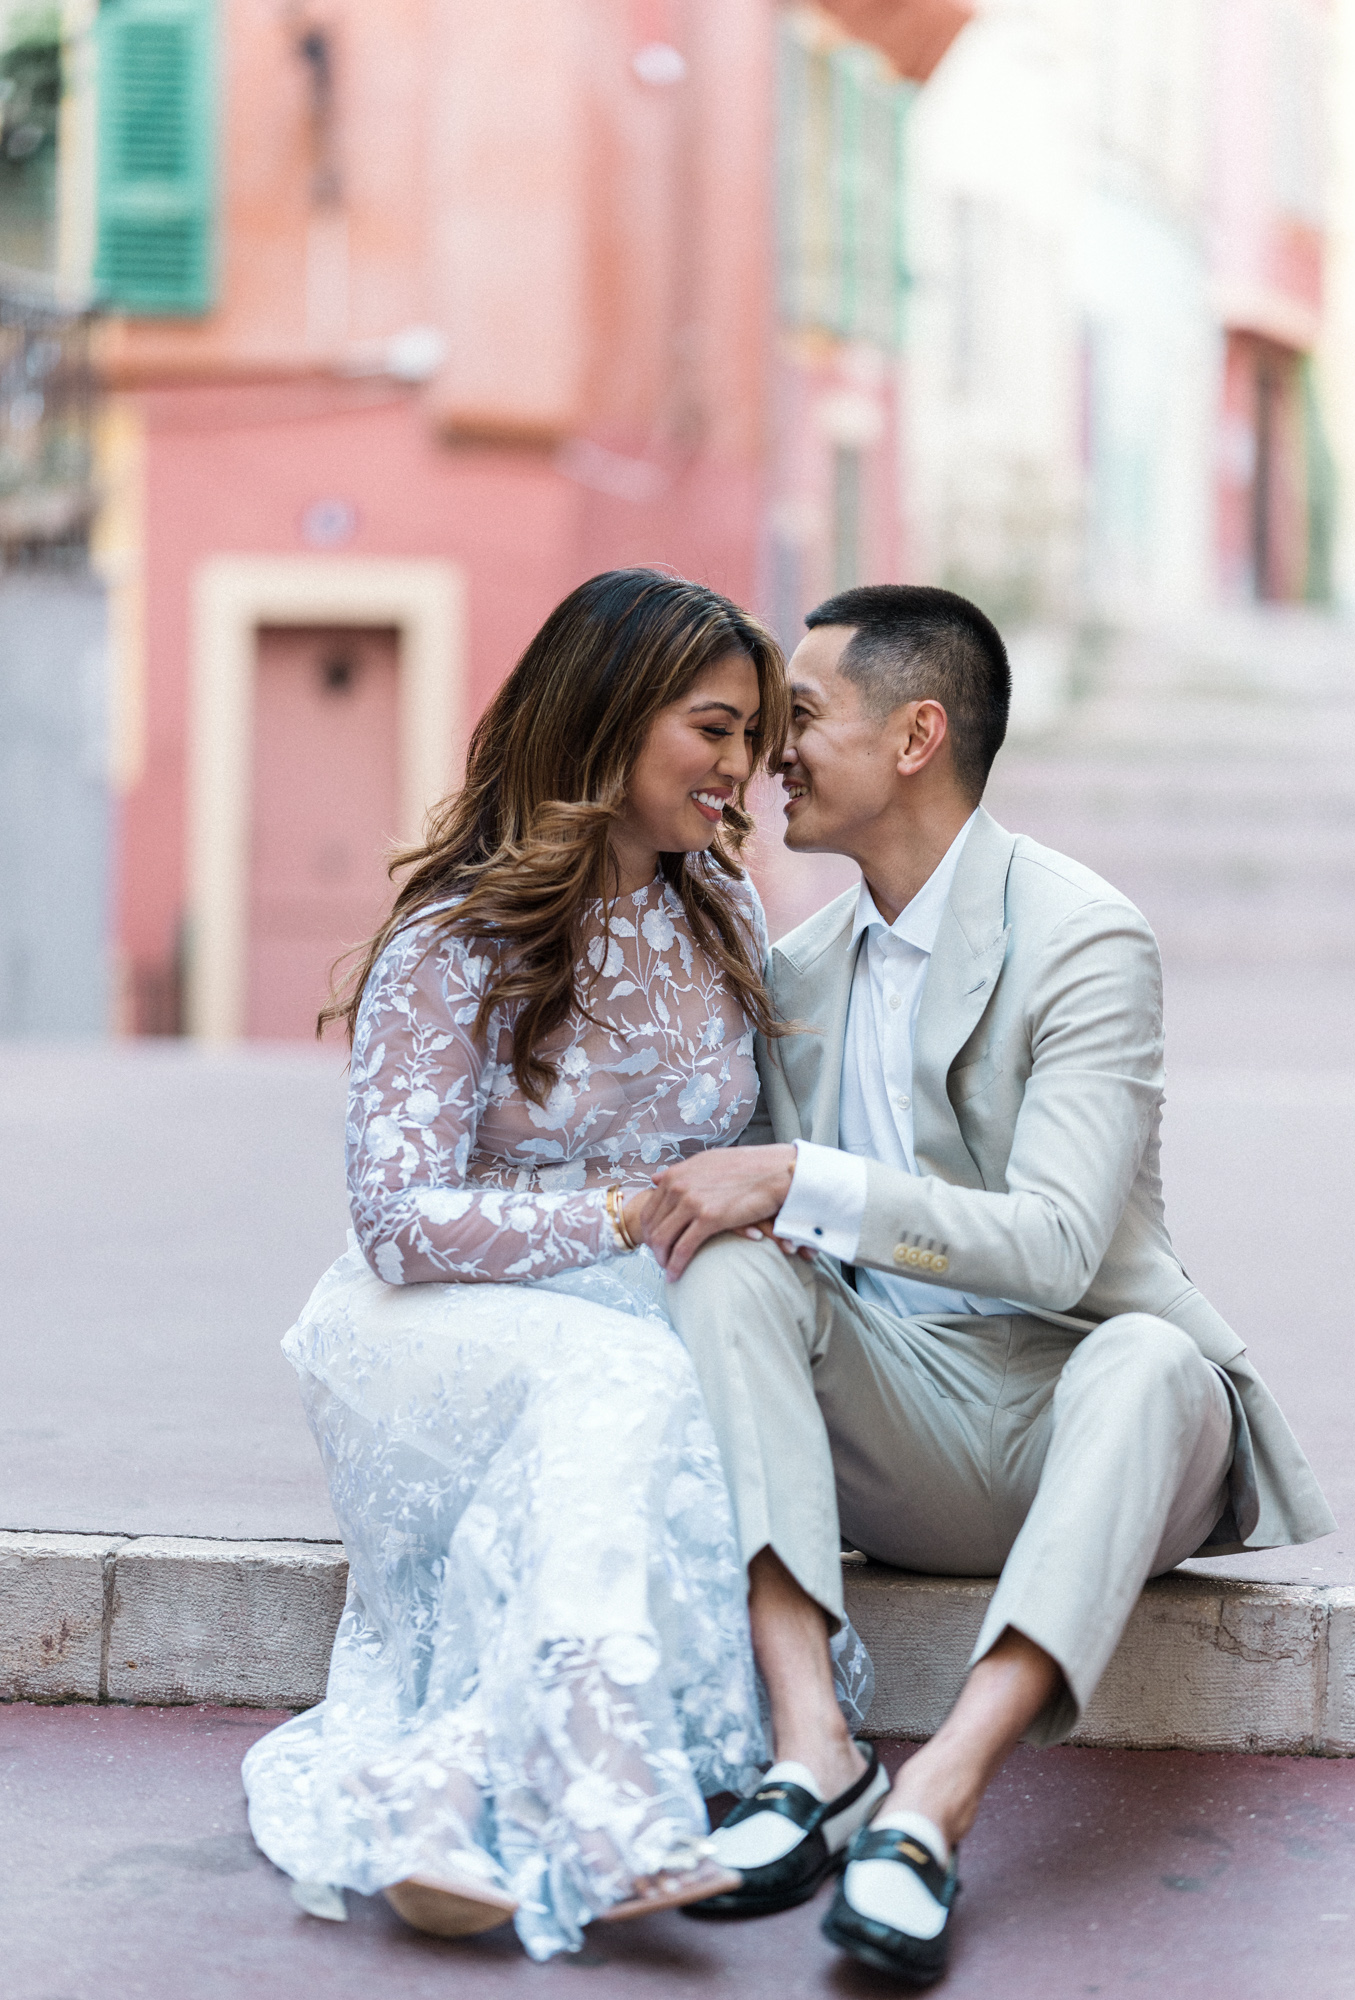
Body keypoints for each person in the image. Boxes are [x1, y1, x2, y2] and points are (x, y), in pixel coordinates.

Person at [638, 584, 1335, 1986]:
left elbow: (1058, 1245)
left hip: (1097, 1414)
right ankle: (813, 1758)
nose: (773, 749)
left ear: (915, 736)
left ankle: (931, 1807)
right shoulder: (794, 972)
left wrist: (799, 1179)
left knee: (1147, 1359)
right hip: (909, 1424)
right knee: (723, 1278)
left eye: (805, 717)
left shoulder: (1083, 935)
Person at [241, 569, 871, 1963]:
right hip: (435, 1324)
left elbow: (758, 1150)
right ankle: (604, 1817)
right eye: (712, 730)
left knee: (646, 1392)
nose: (738, 772)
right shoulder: (455, 936)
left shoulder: (720, 911)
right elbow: (399, 1223)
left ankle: (447, 1786)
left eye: (754, 740)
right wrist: (632, 1212)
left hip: (645, 1330)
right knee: (619, 1381)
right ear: (605, 714)